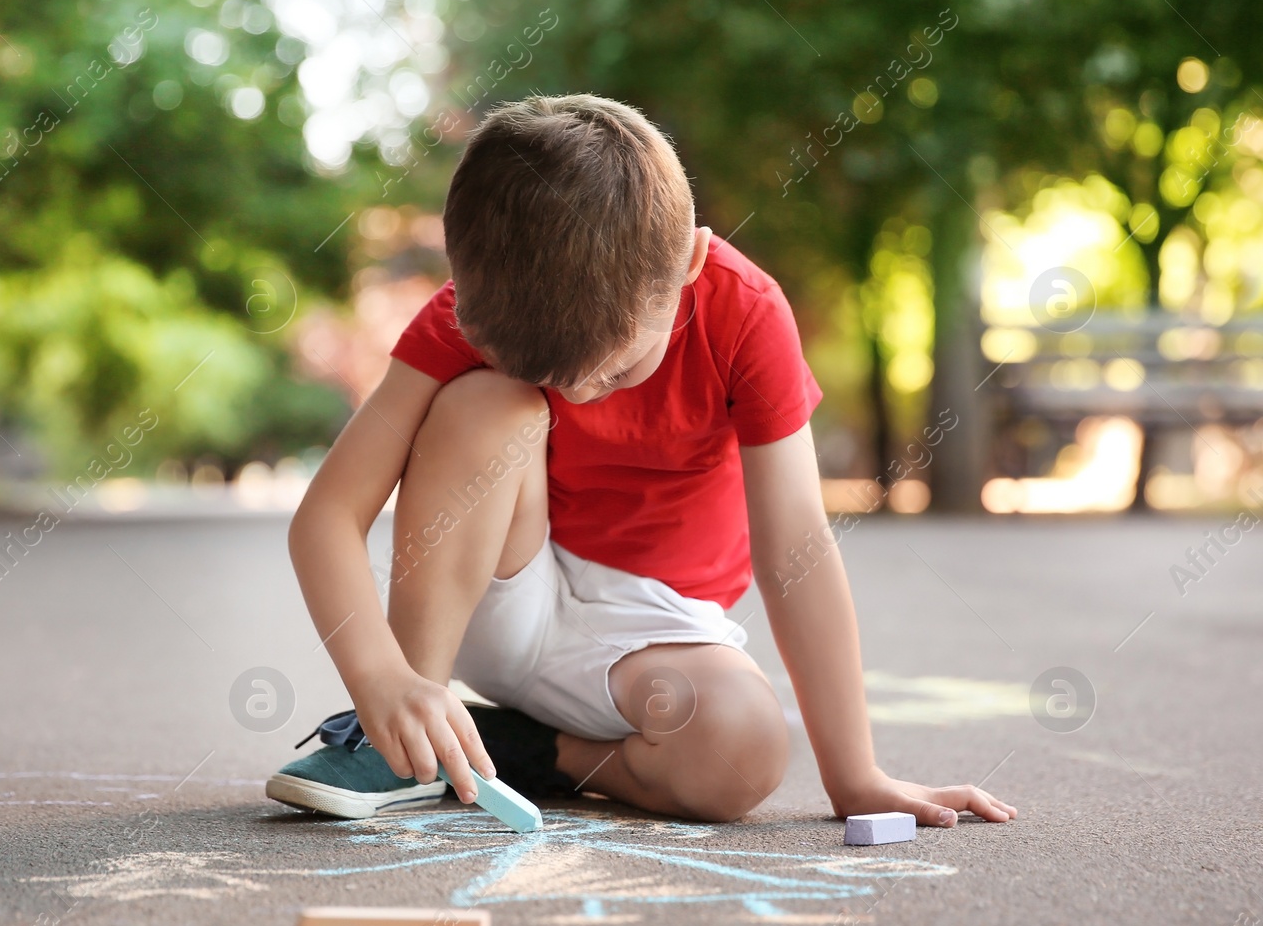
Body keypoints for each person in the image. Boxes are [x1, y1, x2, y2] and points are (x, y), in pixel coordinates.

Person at [266, 94, 1016, 829]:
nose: (582, 399)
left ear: (688, 261)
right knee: (489, 405)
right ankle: (403, 742)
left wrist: (856, 775)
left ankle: (518, 750)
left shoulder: (747, 312)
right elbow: (328, 514)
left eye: (616, 373)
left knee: (743, 747)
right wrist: (384, 682)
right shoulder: (489, 300)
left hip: (646, 629)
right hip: (494, 588)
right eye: (552, 377)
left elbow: (796, 548)